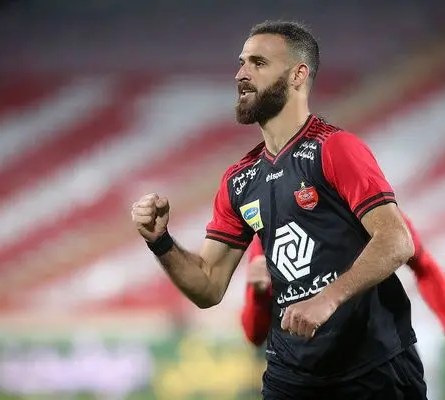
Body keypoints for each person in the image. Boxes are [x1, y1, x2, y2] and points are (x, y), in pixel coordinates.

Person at [132, 20, 426, 399]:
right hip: (290, 376)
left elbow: (397, 240)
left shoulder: (334, 149)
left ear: (297, 75)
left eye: (258, 63)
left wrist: (328, 298)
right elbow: (208, 285)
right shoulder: (239, 180)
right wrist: (160, 242)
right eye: (241, 63)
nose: (241, 74)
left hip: (373, 368)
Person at [241, 212, 445, 389]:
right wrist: (258, 294)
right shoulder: (269, 235)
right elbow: (254, 335)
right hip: (310, 378)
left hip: (379, 367)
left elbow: (424, 266)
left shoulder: (367, 210)